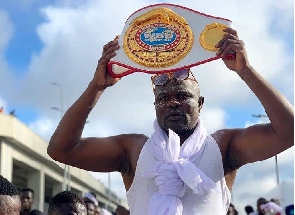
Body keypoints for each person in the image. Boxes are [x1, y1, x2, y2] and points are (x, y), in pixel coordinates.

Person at [47, 26, 294, 215]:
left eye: (183, 95)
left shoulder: (223, 147)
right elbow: (60, 150)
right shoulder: (134, 150)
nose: (173, 102)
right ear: (155, 107)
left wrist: (245, 70)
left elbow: (289, 131)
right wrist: (96, 87)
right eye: (163, 97)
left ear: (200, 104)